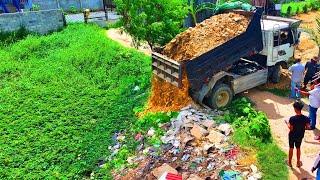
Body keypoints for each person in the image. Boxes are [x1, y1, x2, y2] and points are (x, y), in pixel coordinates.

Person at [285, 101, 310, 167]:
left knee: (291, 148)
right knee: (298, 148)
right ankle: (298, 162)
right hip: (300, 135)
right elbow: (308, 127)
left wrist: (287, 123)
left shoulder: (292, 118)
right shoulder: (306, 118)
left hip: (292, 136)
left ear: (295, 109)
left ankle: (290, 162)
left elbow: (291, 129)